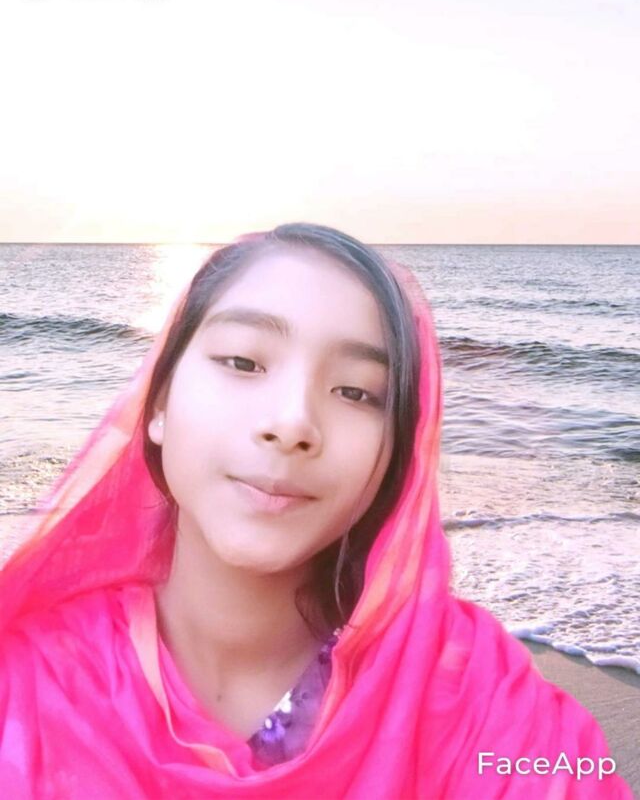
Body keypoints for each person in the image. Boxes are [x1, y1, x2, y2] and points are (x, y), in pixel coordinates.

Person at [0, 223, 632, 798]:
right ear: (158, 401)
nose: (293, 423)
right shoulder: (27, 685)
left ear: (397, 452)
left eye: (356, 392)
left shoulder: (480, 704)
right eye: (243, 361)